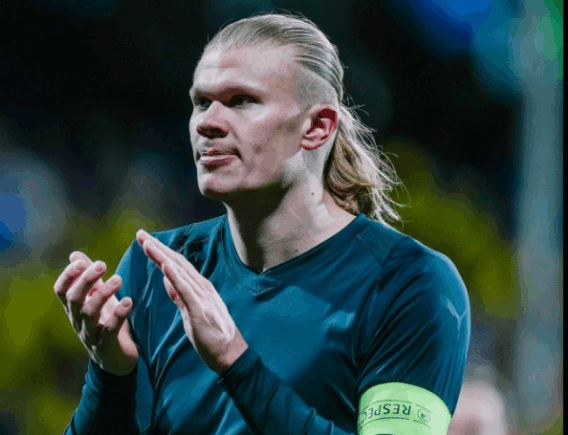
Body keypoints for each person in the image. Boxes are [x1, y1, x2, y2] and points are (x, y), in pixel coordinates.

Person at [54, 12, 470, 435]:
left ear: (316, 127)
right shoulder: (155, 271)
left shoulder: (409, 283)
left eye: (241, 101)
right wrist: (110, 374)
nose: (207, 122)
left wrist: (234, 360)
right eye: (202, 102)